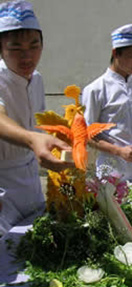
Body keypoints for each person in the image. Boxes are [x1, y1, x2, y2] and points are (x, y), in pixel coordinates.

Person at [0, 0, 72, 235]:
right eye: (16, 49)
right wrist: (32, 139)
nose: (27, 57)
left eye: (34, 46)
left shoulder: (37, 79)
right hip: (3, 186)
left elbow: (40, 124)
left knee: (34, 238)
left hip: (31, 180)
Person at [82, 23, 132, 181]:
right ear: (116, 53)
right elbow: (88, 136)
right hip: (112, 169)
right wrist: (118, 151)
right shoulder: (96, 89)